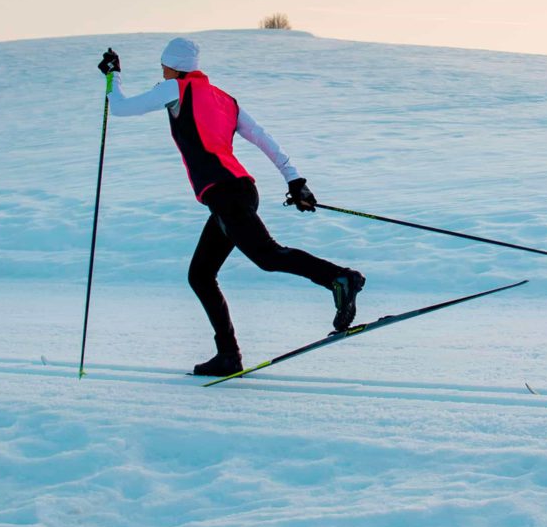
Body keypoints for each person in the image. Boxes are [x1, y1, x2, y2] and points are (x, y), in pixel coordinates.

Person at [99, 38, 364, 377]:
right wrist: (294, 179)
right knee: (200, 275)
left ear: (174, 66)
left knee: (267, 256)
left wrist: (112, 77)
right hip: (237, 192)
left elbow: (120, 108)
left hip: (227, 194)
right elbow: (262, 137)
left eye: (164, 65)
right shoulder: (225, 99)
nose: (162, 71)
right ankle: (228, 355)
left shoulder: (174, 88)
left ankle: (340, 278)